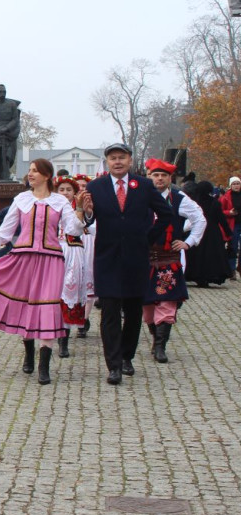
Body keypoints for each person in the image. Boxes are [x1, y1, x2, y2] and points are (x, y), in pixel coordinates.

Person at [0, 159, 87, 385]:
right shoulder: (22, 199)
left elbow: (73, 229)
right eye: (29, 171)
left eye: (34, 171)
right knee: (26, 305)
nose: (30, 174)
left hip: (51, 260)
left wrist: (80, 210)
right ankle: (29, 353)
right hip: (23, 258)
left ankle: (44, 366)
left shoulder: (60, 201)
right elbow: (5, 232)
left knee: (47, 307)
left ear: (46, 175)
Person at [82, 143, 174, 385]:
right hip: (107, 257)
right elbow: (86, 221)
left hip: (136, 257)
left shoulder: (143, 185)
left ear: (130, 161)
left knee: (133, 311)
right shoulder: (96, 187)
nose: (118, 162)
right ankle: (113, 365)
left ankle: (126, 357)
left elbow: (166, 213)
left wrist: (148, 238)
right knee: (110, 311)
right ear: (107, 162)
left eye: (122, 157)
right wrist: (88, 213)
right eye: (113, 158)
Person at [141, 159, 206, 364]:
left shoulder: (179, 198)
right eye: (155, 175)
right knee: (147, 307)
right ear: (149, 176)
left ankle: (161, 346)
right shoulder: (140, 197)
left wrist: (189, 242)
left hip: (168, 258)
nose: (159, 179)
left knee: (167, 302)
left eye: (163, 176)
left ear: (170, 179)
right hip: (143, 259)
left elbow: (200, 218)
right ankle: (154, 338)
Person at [53, 176, 94, 358]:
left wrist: (80, 210)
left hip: (72, 251)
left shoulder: (77, 208)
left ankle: (64, 340)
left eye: (68, 190)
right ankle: (50, 332)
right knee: (53, 294)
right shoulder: (50, 205)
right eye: (61, 189)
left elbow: (76, 229)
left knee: (69, 292)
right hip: (53, 251)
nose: (65, 193)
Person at [219, 176, 241, 280]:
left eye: (238, 183)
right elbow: (220, 211)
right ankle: (232, 270)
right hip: (233, 225)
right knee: (233, 247)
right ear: (231, 185)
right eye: (234, 184)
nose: (237, 186)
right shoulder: (226, 197)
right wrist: (230, 212)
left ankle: (239, 268)